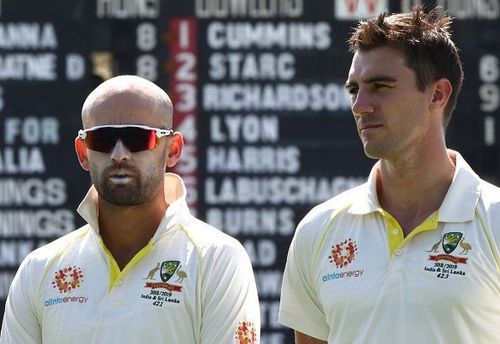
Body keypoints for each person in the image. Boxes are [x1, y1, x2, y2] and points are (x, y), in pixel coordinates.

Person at [279, 6, 500, 344]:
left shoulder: (495, 218)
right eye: (354, 90)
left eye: (380, 86)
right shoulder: (318, 229)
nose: (360, 105)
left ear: (438, 94)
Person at [0, 75, 260, 343]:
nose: (119, 153)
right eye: (102, 139)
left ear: (173, 149)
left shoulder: (217, 260)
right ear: (82, 152)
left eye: (138, 138)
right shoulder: (38, 269)